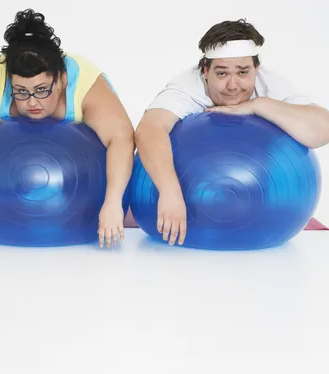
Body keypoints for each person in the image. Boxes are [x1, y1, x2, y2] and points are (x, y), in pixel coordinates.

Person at [0, 9, 134, 247]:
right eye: (21, 92)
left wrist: (112, 203)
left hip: (81, 195)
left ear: (60, 78)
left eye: (41, 89)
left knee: (126, 210)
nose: (32, 102)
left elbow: (121, 138)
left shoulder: (86, 83)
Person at [135, 19, 329, 246]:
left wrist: (260, 105)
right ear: (205, 71)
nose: (233, 85)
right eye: (222, 74)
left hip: (265, 203)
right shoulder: (186, 88)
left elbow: (322, 129)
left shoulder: (270, 83)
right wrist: (169, 192)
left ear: (257, 69)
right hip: (191, 198)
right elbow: (148, 130)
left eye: (243, 72)